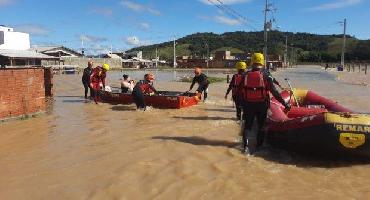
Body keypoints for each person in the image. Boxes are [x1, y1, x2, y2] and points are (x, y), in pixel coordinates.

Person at [242, 53, 291, 155]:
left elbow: (240, 92)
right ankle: (259, 147)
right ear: (262, 62)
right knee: (261, 126)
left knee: (247, 126)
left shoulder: (245, 75)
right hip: (262, 105)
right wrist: (285, 104)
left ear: (252, 62)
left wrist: (242, 105)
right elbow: (275, 93)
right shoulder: (266, 76)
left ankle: (245, 148)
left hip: (248, 104)